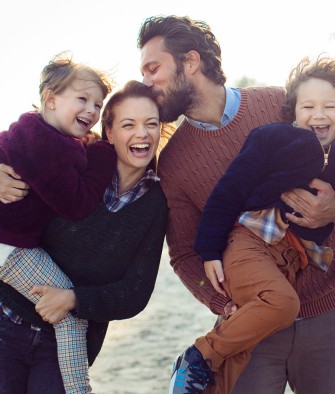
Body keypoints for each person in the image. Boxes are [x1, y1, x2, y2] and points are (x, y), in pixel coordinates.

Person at [137, 15, 335, 394]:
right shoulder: (173, 161)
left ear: (190, 62)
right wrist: (221, 303)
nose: (147, 82)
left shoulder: (287, 104)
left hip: (328, 312)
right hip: (252, 326)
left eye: (153, 68)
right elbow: (183, 255)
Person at [0, 80, 169, 394]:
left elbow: (136, 291)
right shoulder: (77, 162)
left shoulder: (155, 204)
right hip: (6, 320)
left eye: (151, 124)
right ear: (110, 130)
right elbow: (18, 150)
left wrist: (74, 299)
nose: (142, 134)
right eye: (129, 124)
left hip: (64, 347)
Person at [0, 52, 117, 393]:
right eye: (82, 99)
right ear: (51, 100)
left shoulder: (28, 131)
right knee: (70, 315)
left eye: (98, 104)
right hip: (10, 251)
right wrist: (103, 154)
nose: (92, 111)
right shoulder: (49, 146)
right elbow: (76, 204)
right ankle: (79, 389)